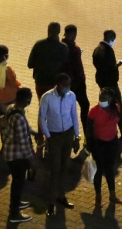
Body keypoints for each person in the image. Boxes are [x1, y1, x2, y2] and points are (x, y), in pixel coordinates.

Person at [37, 73, 80, 215]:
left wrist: (77, 136)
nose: (68, 88)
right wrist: (48, 137)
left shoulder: (71, 96)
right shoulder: (47, 97)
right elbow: (42, 118)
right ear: (59, 85)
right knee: (54, 170)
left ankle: (61, 196)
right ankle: (50, 202)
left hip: (68, 134)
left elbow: (74, 115)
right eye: (66, 85)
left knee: (64, 167)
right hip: (54, 136)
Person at [2, 88, 38, 223]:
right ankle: (14, 213)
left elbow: (25, 129)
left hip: (9, 152)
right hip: (17, 157)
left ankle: (16, 204)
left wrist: (33, 132)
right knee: (18, 184)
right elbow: (24, 144)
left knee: (17, 183)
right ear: (26, 101)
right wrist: (32, 160)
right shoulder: (19, 118)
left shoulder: (12, 108)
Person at [87, 89, 122, 206]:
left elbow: (120, 121)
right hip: (99, 143)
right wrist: (89, 144)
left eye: (104, 99)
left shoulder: (116, 108)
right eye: (100, 99)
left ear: (110, 100)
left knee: (110, 169)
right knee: (99, 170)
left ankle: (112, 195)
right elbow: (88, 128)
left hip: (112, 142)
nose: (101, 102)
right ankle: (98, 197)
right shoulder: (94, 111)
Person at [28, 21, 68, 97]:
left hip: (40, 81)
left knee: (42, 104)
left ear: (48, 30)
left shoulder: (39, 44)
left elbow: (30, 64)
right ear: (59, 32)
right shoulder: (63, 48)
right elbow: (66, 67)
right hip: (54, 83)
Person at [0, 45, 20, 114]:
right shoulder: (7, 69)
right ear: (5, 55)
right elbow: (13, 83)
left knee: (1, 120)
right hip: (9, 98)